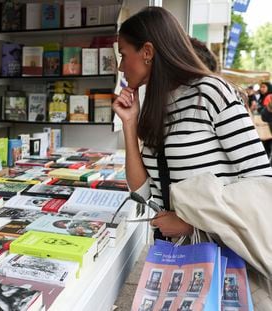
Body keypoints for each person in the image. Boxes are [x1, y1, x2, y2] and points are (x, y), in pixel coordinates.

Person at [113, 7, 272, 240]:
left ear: (147, 51)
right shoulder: (159, 103)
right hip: (174, 256)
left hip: (217, 259)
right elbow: (143, 192)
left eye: (123, 55)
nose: (120, 67)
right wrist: (129, 124)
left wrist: (191, 226)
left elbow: (260, 181)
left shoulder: (210, 92)